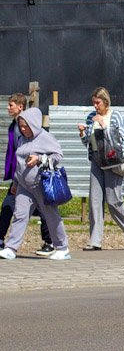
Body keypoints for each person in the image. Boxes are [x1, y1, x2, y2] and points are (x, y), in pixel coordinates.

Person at [0, 107, 69, 260]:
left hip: (42, 185)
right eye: (21, 126)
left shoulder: (46, 138)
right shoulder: (22, 139)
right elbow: (18, 163)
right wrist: (16, 183)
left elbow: (58, 155)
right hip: (24, 187)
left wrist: (39, 158)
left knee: (51, 216)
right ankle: (11, 248)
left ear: (34, 124)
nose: (23, 129)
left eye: (26, 126)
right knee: (20, 215)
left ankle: (62, 247)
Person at [78, 87, 124, 250]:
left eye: (98, 103)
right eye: (94, 103)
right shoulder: (91, 117)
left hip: (112, 160)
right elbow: (88, 143)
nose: (95, 106)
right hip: (97, 160)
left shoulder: (115, 116)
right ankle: (95, 241)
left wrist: (103, 125)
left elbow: (120, 139)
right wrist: (83, 134)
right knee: (95, 202)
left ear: (105, 102)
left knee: (113, 200)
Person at [2, 93, 54, 253]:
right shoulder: (14, 125)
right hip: (19, 175)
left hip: (28, 175)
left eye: (11, 105)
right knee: (13, 208)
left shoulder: (23, 128)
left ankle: (50, 241)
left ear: (20, 107)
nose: (7, 108)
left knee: (14, 207)